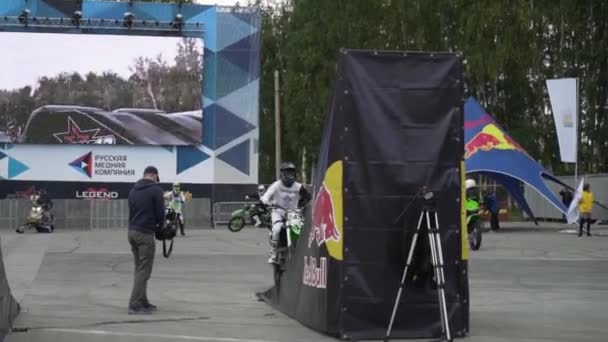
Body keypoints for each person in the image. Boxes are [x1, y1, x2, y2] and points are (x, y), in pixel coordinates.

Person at [127, 166, 165, 314]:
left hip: (132, 232)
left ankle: (142, 300)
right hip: (145, 234)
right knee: (144, 270)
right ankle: (134, 304)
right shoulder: (156, 190)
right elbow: (160, 214)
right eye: (157, 178)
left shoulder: (133, 190)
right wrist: (161, 228)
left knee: (139, 269)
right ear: (154, 176)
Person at [261, 162, 311, 263]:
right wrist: (266, 201)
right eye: (288, 173)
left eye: (292, 173)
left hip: (293, 212)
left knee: (300, 231)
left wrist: (302, 204)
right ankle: (273, 253)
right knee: (276, 229)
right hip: (278, 211)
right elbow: (266, 196)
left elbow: (308, 197)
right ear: (282, 174)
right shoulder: (276, 185)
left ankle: (298, 252)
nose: (290, 175)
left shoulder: (298, 187)